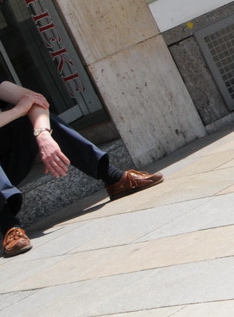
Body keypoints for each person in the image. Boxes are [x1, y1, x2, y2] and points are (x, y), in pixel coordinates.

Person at [1, 82, 160, 257]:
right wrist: (17, 111)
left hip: (9, 165)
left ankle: (112, 177)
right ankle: (9, 226)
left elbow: (35, 100)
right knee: (22, 112)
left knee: (32, 116)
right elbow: (23, 106)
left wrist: (43, 134)